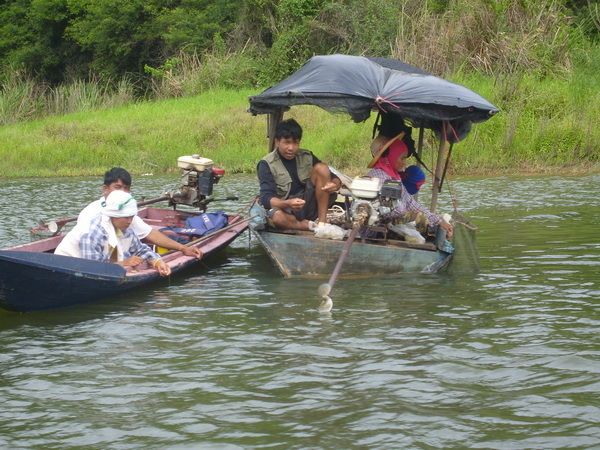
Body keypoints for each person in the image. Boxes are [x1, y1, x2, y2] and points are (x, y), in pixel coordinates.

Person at [78, 167, 202, 259]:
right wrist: (125, 262)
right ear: (105, 189)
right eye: (117, 187)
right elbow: (92, 256)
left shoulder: (126, 215)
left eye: (126, 188)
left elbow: (149, 234)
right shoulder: (92, 214)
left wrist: (183, 248)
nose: (123, 192)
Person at [55, 190, 172, 276]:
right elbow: (93, 268)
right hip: (66, 268)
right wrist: (124, 262)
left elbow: (140, 250)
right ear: (114, 215)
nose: (130, 221)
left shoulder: (125, 228)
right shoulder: (92, 233)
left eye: (131, 217)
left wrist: (158, 262)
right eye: (126, 217)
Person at [257, 119, 341, 231]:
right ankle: (309, 226)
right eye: (287, 142)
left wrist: (335, 184)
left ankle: (322, 222)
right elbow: (266, 198)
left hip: (309, 204)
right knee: (278, 218)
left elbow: (332, 177)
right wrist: (288, 203)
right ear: (277, 142)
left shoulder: (306, 156)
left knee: (322, 167)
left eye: (295, 143)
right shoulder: (266, 164)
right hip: (287, 209)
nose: (291, 148)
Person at [366, 133, 453, 238]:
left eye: (405, 158)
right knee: (419, 218)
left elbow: (410, 202)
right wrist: (421, 217)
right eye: (401, 158)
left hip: (393, 223)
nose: (404, 162)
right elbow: (390, 212)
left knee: (422, 218)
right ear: (391, 156)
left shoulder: (394, 176)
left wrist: (438, 222)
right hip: (379, 228)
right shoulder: (381, 177)